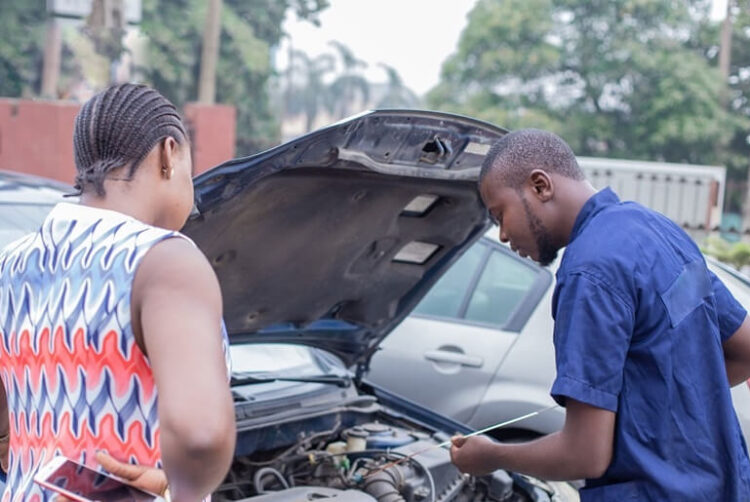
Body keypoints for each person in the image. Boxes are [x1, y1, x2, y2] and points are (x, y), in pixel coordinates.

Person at [449, 129, 750, 501]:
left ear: (540, 186)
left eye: (500, 214)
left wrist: (492, 455)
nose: (505, 235)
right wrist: (659, 411)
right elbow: (744, 349)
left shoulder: (587, 273)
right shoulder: (656, 229)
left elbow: (584, 455)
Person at [0, 83, 236, 501]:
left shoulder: (12, 262)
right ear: (168, 155)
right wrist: (173, 490)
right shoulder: (165, 261)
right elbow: (201, 437)